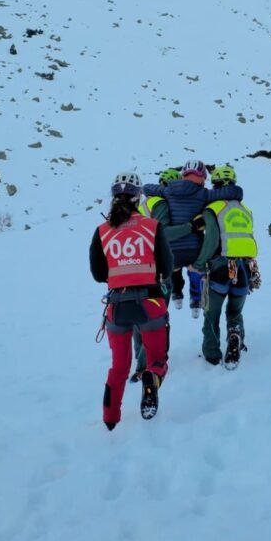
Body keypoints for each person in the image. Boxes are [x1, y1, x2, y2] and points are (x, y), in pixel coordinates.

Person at [89, 172, 173, 430]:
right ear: (138, 198)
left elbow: (98, 274)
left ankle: (110, 420)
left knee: (119, 367)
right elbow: (166, 266)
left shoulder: (102, 231)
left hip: (117, 306)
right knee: (157, 360)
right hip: (151, 303)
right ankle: (151, 377)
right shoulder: (152, 226)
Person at [143, 160, 243, 319]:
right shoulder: (203, 194)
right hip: (194, 251)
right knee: (200, 270)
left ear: (183, 175)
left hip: (171, 253)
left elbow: (147, 188)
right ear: (202, 177)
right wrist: (237, 192)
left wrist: (161, 189)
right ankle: (197, 302)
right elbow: (230, 192)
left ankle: (167, 307)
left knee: (168, 280)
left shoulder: (167, 191)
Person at [191, 165, 260, 367]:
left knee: (211, 315)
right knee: (235, 312)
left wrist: (198, 264)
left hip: (220, 268)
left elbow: (211, 239)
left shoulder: (213, 208)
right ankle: (236, 335)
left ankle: (212, 354)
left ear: (215, 184)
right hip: (245, 268)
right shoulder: (246, 210)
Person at [130, 167, 195, 383]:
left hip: (137, 266)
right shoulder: (160, 204)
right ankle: (148, 365)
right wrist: (189, 227)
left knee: (138, 317)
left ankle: (140, 363)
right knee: (157, 317)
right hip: (155, 269)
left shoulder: (144, 203)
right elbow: (163, 232)